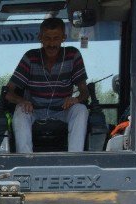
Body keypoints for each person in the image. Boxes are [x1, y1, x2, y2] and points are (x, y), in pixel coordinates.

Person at [5, 17, 89, 152]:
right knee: (20, 110)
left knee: (81, 110)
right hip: (34, 111)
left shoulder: (73, 55)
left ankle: (75, 158)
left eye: (56, 38)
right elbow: (8, 93)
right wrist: (22, 101)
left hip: (63, 110)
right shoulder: (30, 57)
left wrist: (75, 99)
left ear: (64, 38)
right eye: (47, 38)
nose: (51, 43)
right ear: (40, 38)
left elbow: (85, 92)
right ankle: (26, 160)